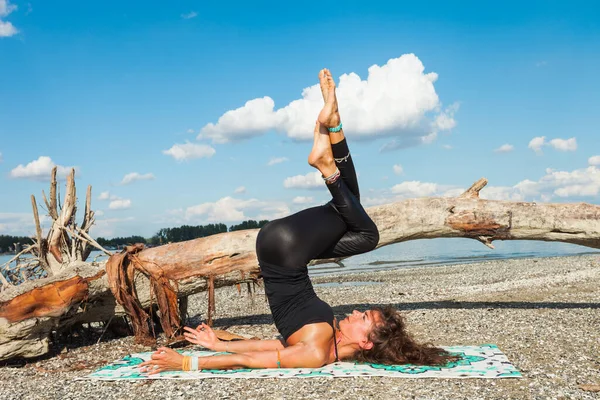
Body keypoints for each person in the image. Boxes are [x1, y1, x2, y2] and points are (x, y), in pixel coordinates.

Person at [140, 69, 453, 374]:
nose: (355, 311)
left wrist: (185, 362)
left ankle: (328, 157)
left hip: (286, 248)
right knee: (351, 207)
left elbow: (255, 360)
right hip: (282, 248)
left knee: (368, 234)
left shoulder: (317, 352)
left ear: (366, 342)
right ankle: (333, 127)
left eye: (364, 317)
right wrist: (218, 343)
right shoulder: (326, 345)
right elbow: (271, 347)